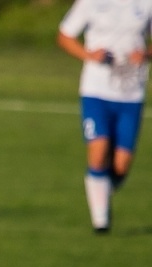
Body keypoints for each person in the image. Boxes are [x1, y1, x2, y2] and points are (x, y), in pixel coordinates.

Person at [57, 0, 152, 231]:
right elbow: (64, 36)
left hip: (130, 92)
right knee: (98, 150)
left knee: (121, 165)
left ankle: (101, 190)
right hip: (96, 91)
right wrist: (89, 55)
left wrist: (146, 54)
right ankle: (101, 221)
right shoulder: (90, 2)